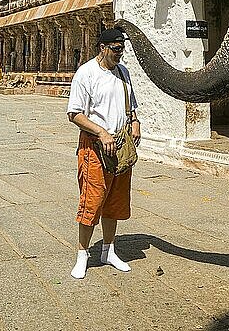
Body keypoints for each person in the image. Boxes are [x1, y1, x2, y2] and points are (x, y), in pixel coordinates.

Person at [67, 28, 141, 280]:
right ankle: (82, 254)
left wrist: (135, 122)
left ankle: (108, 250)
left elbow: (130, 106)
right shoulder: (86, 74)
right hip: (94, 148)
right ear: (103, 47)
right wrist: (101, 132)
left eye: (123, 49)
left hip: (120, 146)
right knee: (92, 200)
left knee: (115, 202)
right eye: (116, 49)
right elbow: (74, 114)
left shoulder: (123, 72)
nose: (120, 54)